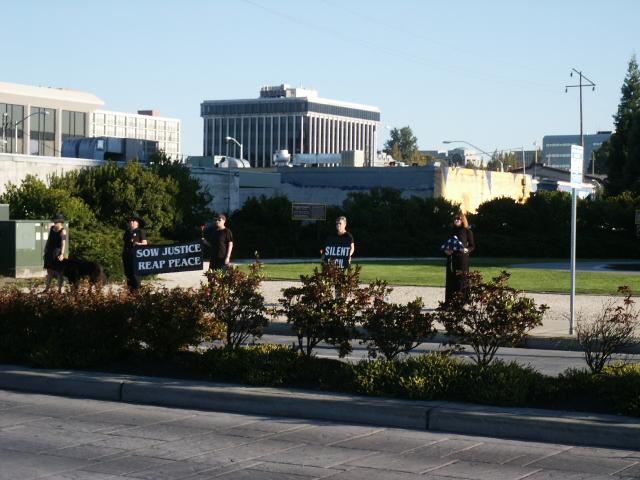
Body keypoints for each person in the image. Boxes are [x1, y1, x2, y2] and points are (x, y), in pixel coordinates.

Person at [442, 211, 475, 304]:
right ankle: (449, 302)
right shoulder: (451, 231)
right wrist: (446, 251)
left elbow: (472, 246)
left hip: (462, 259)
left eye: (458, 218)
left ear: (462, 220)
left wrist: (467, 250)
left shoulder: (467, 231)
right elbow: (446, 244)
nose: (456, 220)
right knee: (451, 280)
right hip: (452, 258)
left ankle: (462, 301)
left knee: (462, 280)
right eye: (455, 219)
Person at [122, 214, 148, 291]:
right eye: (130, 221)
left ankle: (137, 292)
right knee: (128, 275)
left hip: (136, 256)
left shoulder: (141, 231)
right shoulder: (127, 232)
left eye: (133, 221)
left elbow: (145, 243)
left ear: (138, 223)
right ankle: (130, 294)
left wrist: (138, 244)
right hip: (127, 255)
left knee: (135, 275)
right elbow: (125, 244)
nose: (131, 222)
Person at [42, 214, 67, 293]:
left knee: (59, 272)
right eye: (54, 221)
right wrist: (45, 249)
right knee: (49, 272)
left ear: (60, 222)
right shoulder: (52, 228)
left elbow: (63, 243)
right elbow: (49, 239)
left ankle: (59, 290)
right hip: (49, 252)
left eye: (56, 221)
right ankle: (46, 289)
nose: (54, 222)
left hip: (57, 252)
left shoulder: (63, 231)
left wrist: (62, 254)